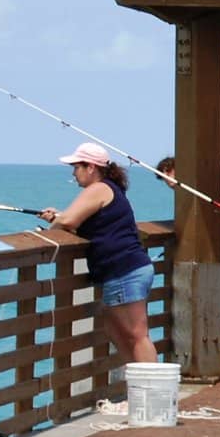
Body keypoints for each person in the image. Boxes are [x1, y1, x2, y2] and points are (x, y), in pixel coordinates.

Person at [39, 142, 157, 364]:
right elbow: (84, 222)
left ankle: (152, 395)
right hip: (125, 269)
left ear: (91, 167)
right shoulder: (110, 188)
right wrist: (60, 217)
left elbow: (70, 220)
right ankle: (136, 391)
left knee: (137, 335)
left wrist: (56, 221)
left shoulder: (99, 188)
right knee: (116, 331)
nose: (74, 173)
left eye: (76, 167)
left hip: (124, 270)